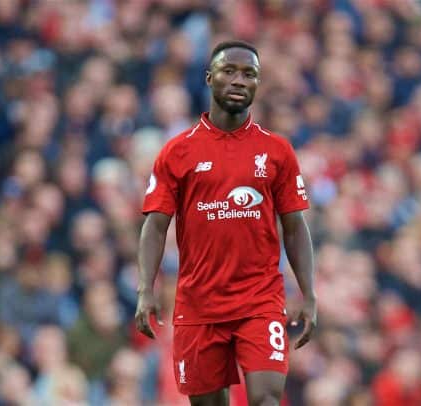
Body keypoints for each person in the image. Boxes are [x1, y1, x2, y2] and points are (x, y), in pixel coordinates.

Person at [135, 40, 318, 406]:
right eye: (229, 71)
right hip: (199, 304)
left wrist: (308, 294)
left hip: (260, 300)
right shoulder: (178, 151)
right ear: (209, 79)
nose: (239, 80)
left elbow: (295, 227)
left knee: (266, 400)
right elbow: (155, 226)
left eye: (249, 74)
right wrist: (145, 289)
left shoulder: (277, 151)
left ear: (257, 84)